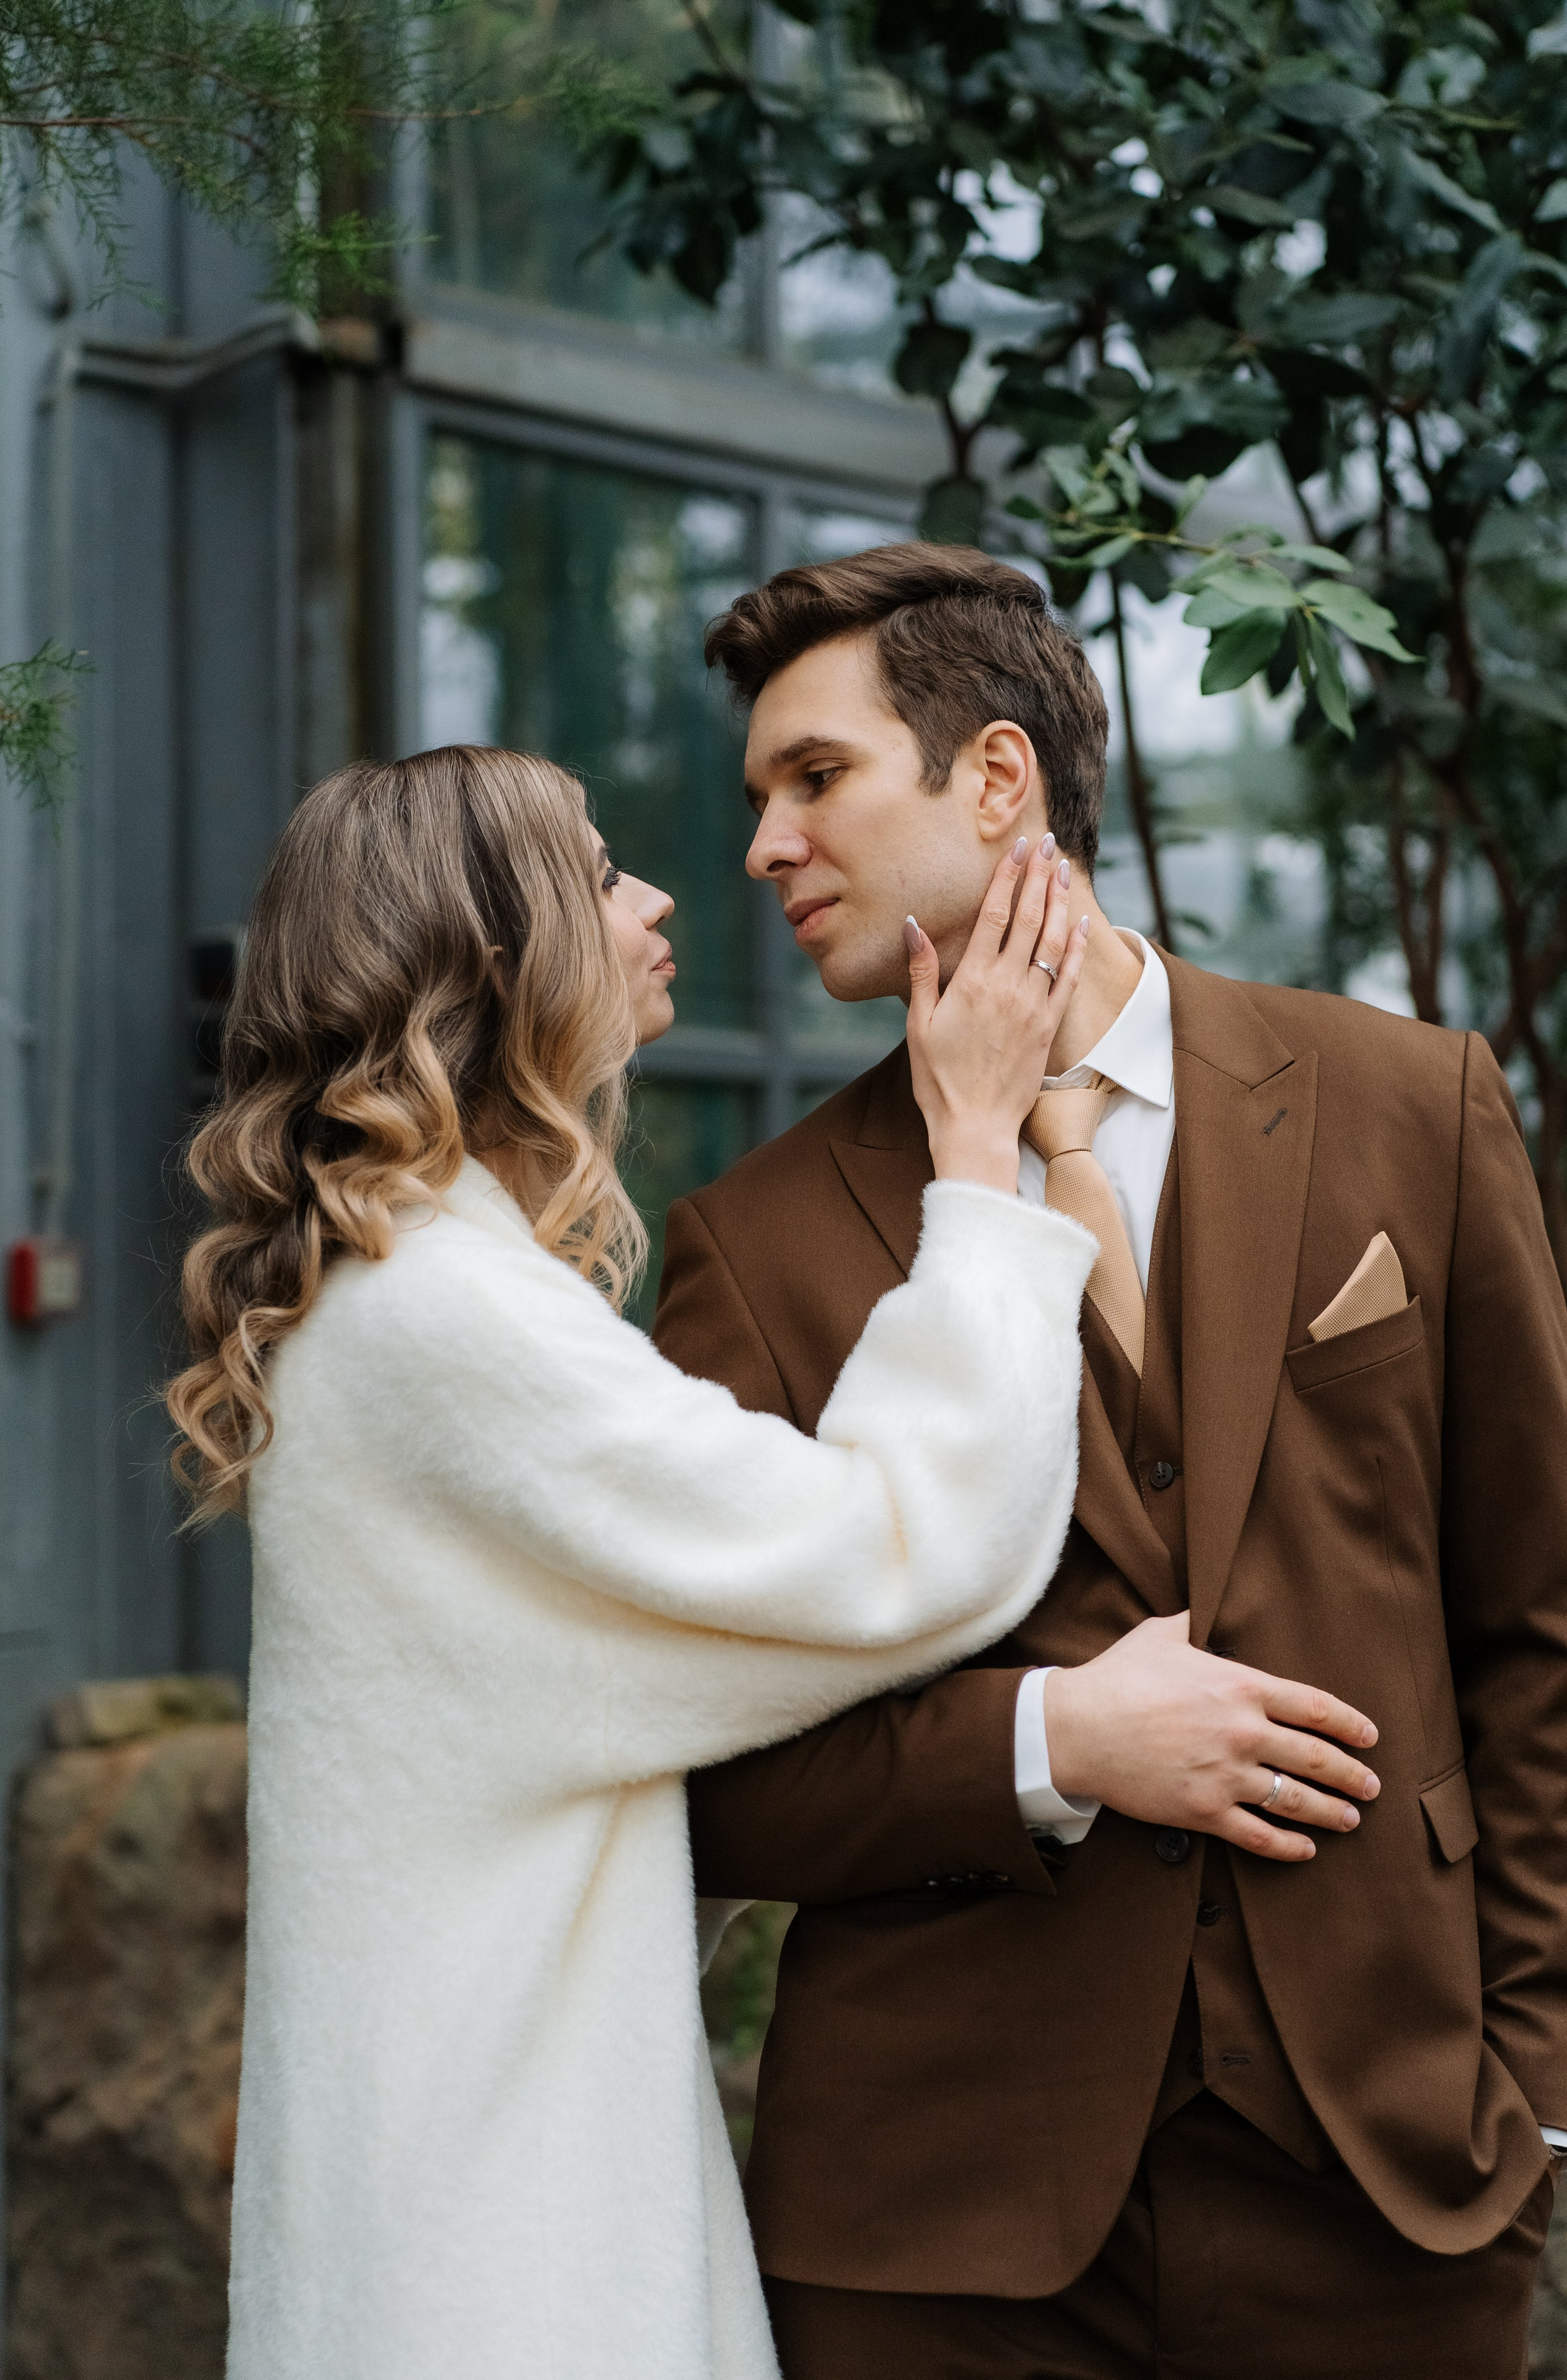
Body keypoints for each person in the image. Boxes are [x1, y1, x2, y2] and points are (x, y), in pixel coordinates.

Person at [655, 544, 1567, 2380]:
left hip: (1390, 2182)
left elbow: (1539, 1626)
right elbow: (709, 1775)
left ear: (995, 780)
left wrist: (1535, 2090)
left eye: (813, 778)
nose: (762, 844)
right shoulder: (751, 1246)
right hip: (939, 2228)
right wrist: (1051, 1746)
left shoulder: (1413, 1107)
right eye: (762, 795)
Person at [162, 741, 1133, 2380]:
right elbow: (890, 1547)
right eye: (606, 872)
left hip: (454, 2194)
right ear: (499, 954)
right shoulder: (443, 1319)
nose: (662, 895)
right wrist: (976, 1161)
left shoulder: (403, 1290)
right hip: (497, 2253)